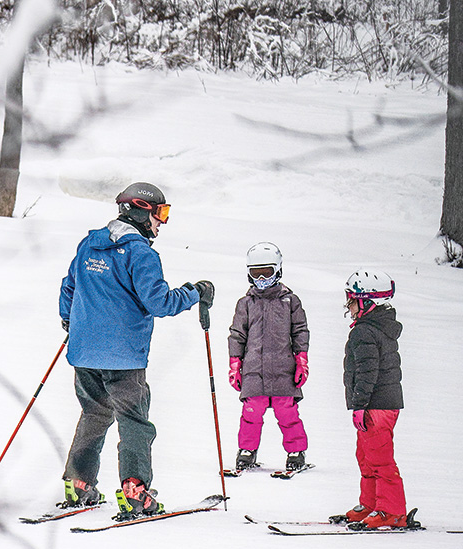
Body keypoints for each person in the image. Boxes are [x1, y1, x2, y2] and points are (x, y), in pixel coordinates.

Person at [58, 181, 214, 519]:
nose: (161, 222)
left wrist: (69, 321)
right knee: (134, 421)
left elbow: (69, 286)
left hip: (84, 354)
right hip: (123, 358)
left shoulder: (89, 245)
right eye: (161, 213)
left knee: (94, 414)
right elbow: (159, 302)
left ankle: (79, 483)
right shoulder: (141, 253)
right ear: (141, 211)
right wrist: (193, 292)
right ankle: (135, 492)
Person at [227, 242, 310, 472]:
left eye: (267, 273)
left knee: (288, 412)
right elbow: (237, 335)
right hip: (254, 370)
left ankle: (296, 451)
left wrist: (301, 358)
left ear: (278, 271)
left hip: (284, 369)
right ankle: (247, 451)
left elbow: (300, 330)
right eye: (256, 274)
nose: (262, 279)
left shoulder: (290, 301)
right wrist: (235, 363)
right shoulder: (246, 303)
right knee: (251, 412)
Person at [340, 269, 410, 530]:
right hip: (377, 404)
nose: (349, 307)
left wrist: (359, 405)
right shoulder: (376, 328)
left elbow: (368, 372)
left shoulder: (365, 332)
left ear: (368, 302)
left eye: (352, 301)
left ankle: (392, 511)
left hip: (376, 404)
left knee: (380, 459)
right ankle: (370, 504)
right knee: (366, 456)